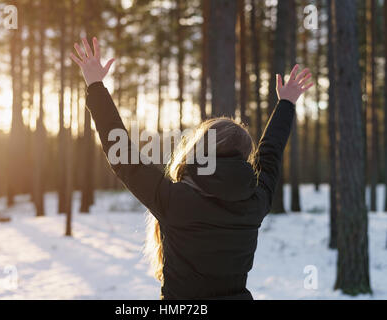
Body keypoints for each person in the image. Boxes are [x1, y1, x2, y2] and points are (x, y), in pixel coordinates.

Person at [71, 37, 314, 300]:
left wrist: (95, 86)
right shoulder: (255, 201)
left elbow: (123, 157)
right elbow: (271, 154)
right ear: (245, 157)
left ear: (200, 149)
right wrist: (286, 104)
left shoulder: (175, 200)